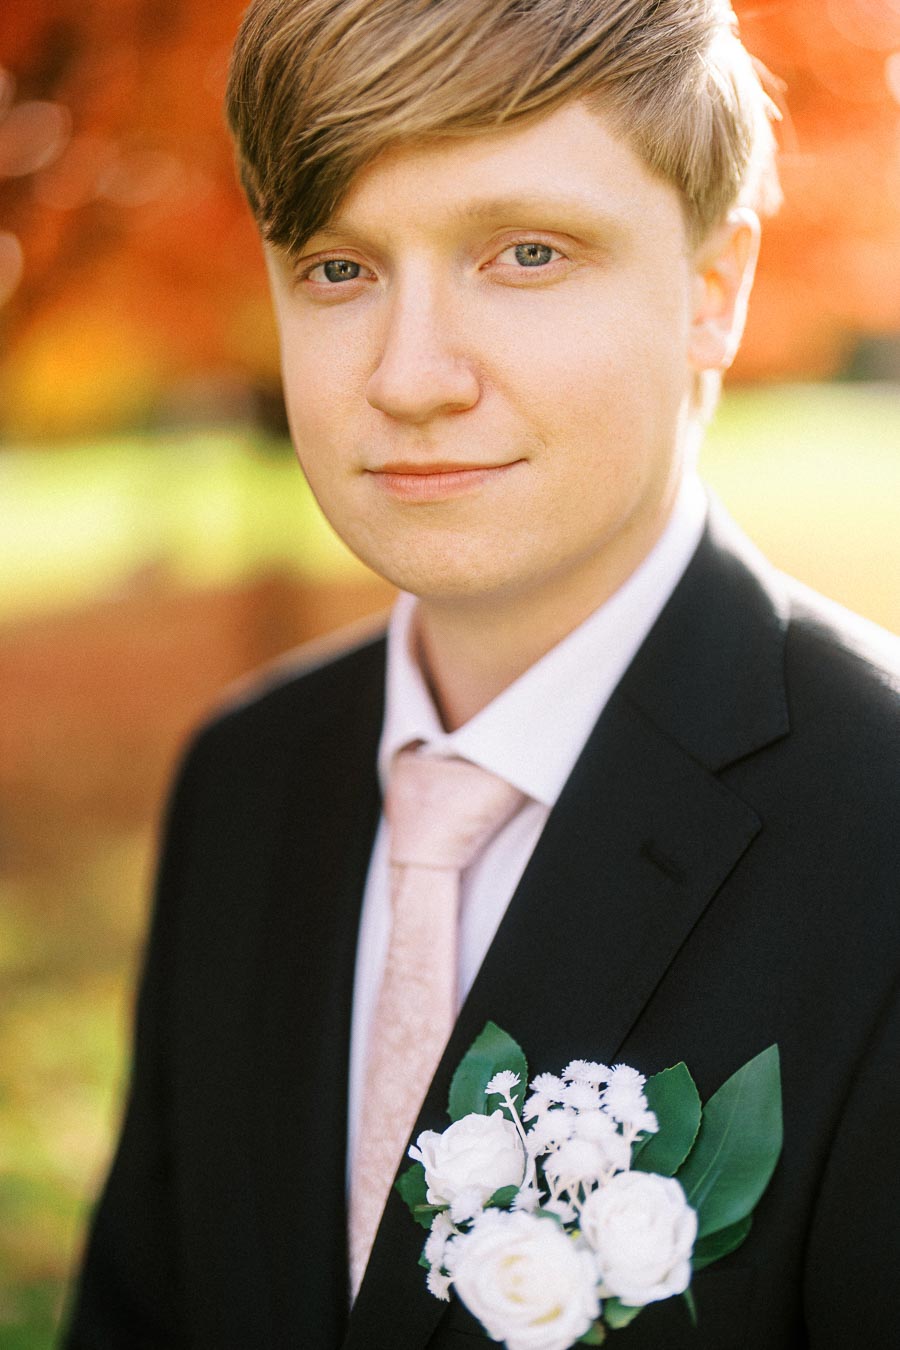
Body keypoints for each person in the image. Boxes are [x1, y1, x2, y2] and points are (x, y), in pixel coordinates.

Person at [64, 2, 900, 1347]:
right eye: (339, 268)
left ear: (714, 288)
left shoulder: (881, 826)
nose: (409, 376)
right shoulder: (243, 776)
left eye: (525, 253)